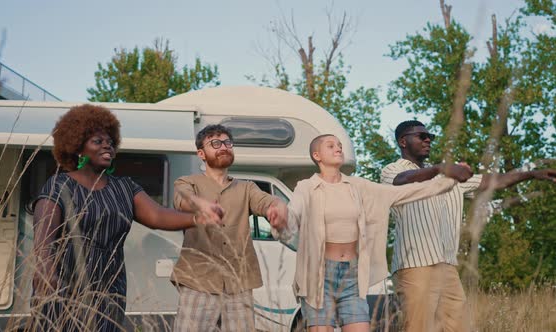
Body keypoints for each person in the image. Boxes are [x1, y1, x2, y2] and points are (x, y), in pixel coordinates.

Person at [31, 104, 224, 332]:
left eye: (110, 143)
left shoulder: (124, 188)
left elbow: (158, 215)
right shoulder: (59, 185)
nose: (107, 147)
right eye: (98, 141)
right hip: (64, 291)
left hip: (109, 291)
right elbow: (44, 240)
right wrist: (47, 274)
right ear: (78, 148)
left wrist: (197, 218)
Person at [272, 134, 462, 332]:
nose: (338, 148)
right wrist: (280, 223)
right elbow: (292, 220)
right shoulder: (306, 188)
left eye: (339, 145)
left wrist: (447, 182)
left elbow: (403, 193)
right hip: (318, 277)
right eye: (331, 146)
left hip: (352, 276)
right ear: (317, 155)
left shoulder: (357, 186)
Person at [381, 120, 556, 332]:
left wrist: (531, 174)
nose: (428, 140)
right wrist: (441, 168)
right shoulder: (392, 169)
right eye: (421, 136)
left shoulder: (449, 176)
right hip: (415, 265)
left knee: (460, 327)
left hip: (447, 266)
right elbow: (402, 180)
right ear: (403, 141)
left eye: (431, 137)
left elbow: (493, 181)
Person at [171, 124, 288, 332]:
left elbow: (268, 201)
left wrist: (278, 209)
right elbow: (182, 199)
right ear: (201, 154)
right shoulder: (188, 182)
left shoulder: (247, 187)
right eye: (215, 143)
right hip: (198, 280)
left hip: (239, 282)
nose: (223, 147)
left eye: (227, 142)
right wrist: (201, 205)